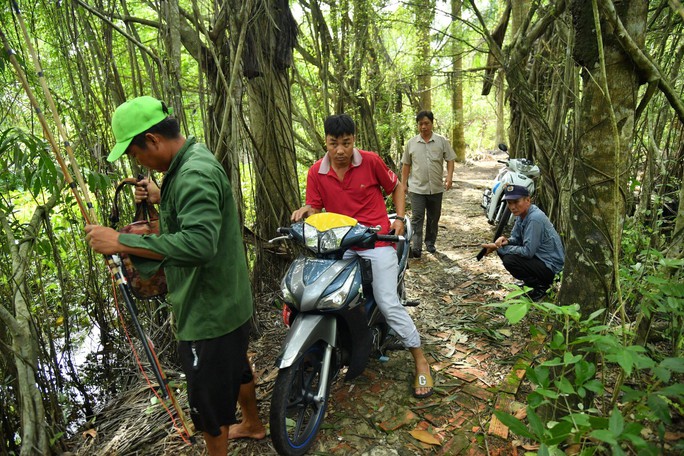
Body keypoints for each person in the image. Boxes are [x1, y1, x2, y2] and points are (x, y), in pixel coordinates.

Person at [84, 96, 265, 455]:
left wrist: (120, 241)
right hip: (229, 299)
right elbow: (191, 216)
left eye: (136, 154)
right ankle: (255, 425)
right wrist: (160, 194)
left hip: (208, 310)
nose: (138, 162)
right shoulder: (189, 163)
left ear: (152, 140)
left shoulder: (193, 175)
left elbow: (199, 244)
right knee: (236, 364)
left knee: (209, 406)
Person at [291, 113, 434, 398]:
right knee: (319, 295)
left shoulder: (370, 161)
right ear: (326, 142)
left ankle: (420, 360)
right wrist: (307, 212)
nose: (340, 151)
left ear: (354, 140)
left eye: (346, 143)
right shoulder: (315, 172)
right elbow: (316, 209)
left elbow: (396, 187)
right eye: (334, 144)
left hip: (377, 243)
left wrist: (400, 219)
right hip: (340, 245)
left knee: (387, 302)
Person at [480, 184, 565, 302]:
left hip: (551, 267)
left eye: (516, 202)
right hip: (540, 260)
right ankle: (531, 283)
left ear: (528, 200)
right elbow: (516, 238)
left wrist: (498, 247)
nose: (512, 207)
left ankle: (541, 287)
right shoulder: (522, 214)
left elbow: (527, 252)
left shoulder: (534, 218)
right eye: (510, 203)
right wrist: (506, 241)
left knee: (510, 259)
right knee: (504, 251)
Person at [401, 110, 456, 257]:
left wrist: (449, 177)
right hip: (417, 188)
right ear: (417, 125)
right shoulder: (411, 143)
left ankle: (430, 243)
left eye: (426, 123)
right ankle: (416, 247)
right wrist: (403, 184)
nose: (424, 127)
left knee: (433, 217)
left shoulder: (441, 141)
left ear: (432, 124)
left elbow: (450, 159)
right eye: (420, 124)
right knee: (417, 217)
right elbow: (406, 164)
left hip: (436, 188)